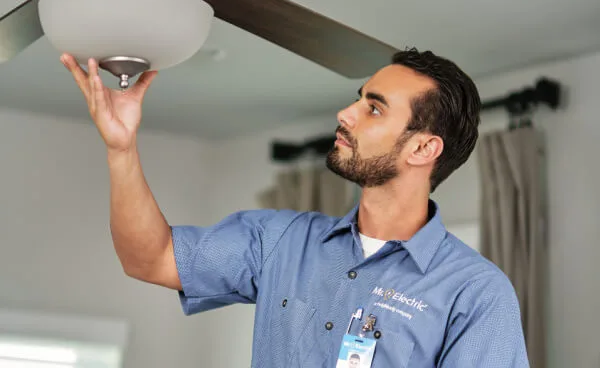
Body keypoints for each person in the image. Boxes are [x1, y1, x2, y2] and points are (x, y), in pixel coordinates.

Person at [61, 47, 530, 368]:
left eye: (375, 108)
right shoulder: (280, 241)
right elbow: (149, 258)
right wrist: (121, 150)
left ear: (423, 150)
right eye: (358, 98)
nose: (346, 113)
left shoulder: (476, 294)